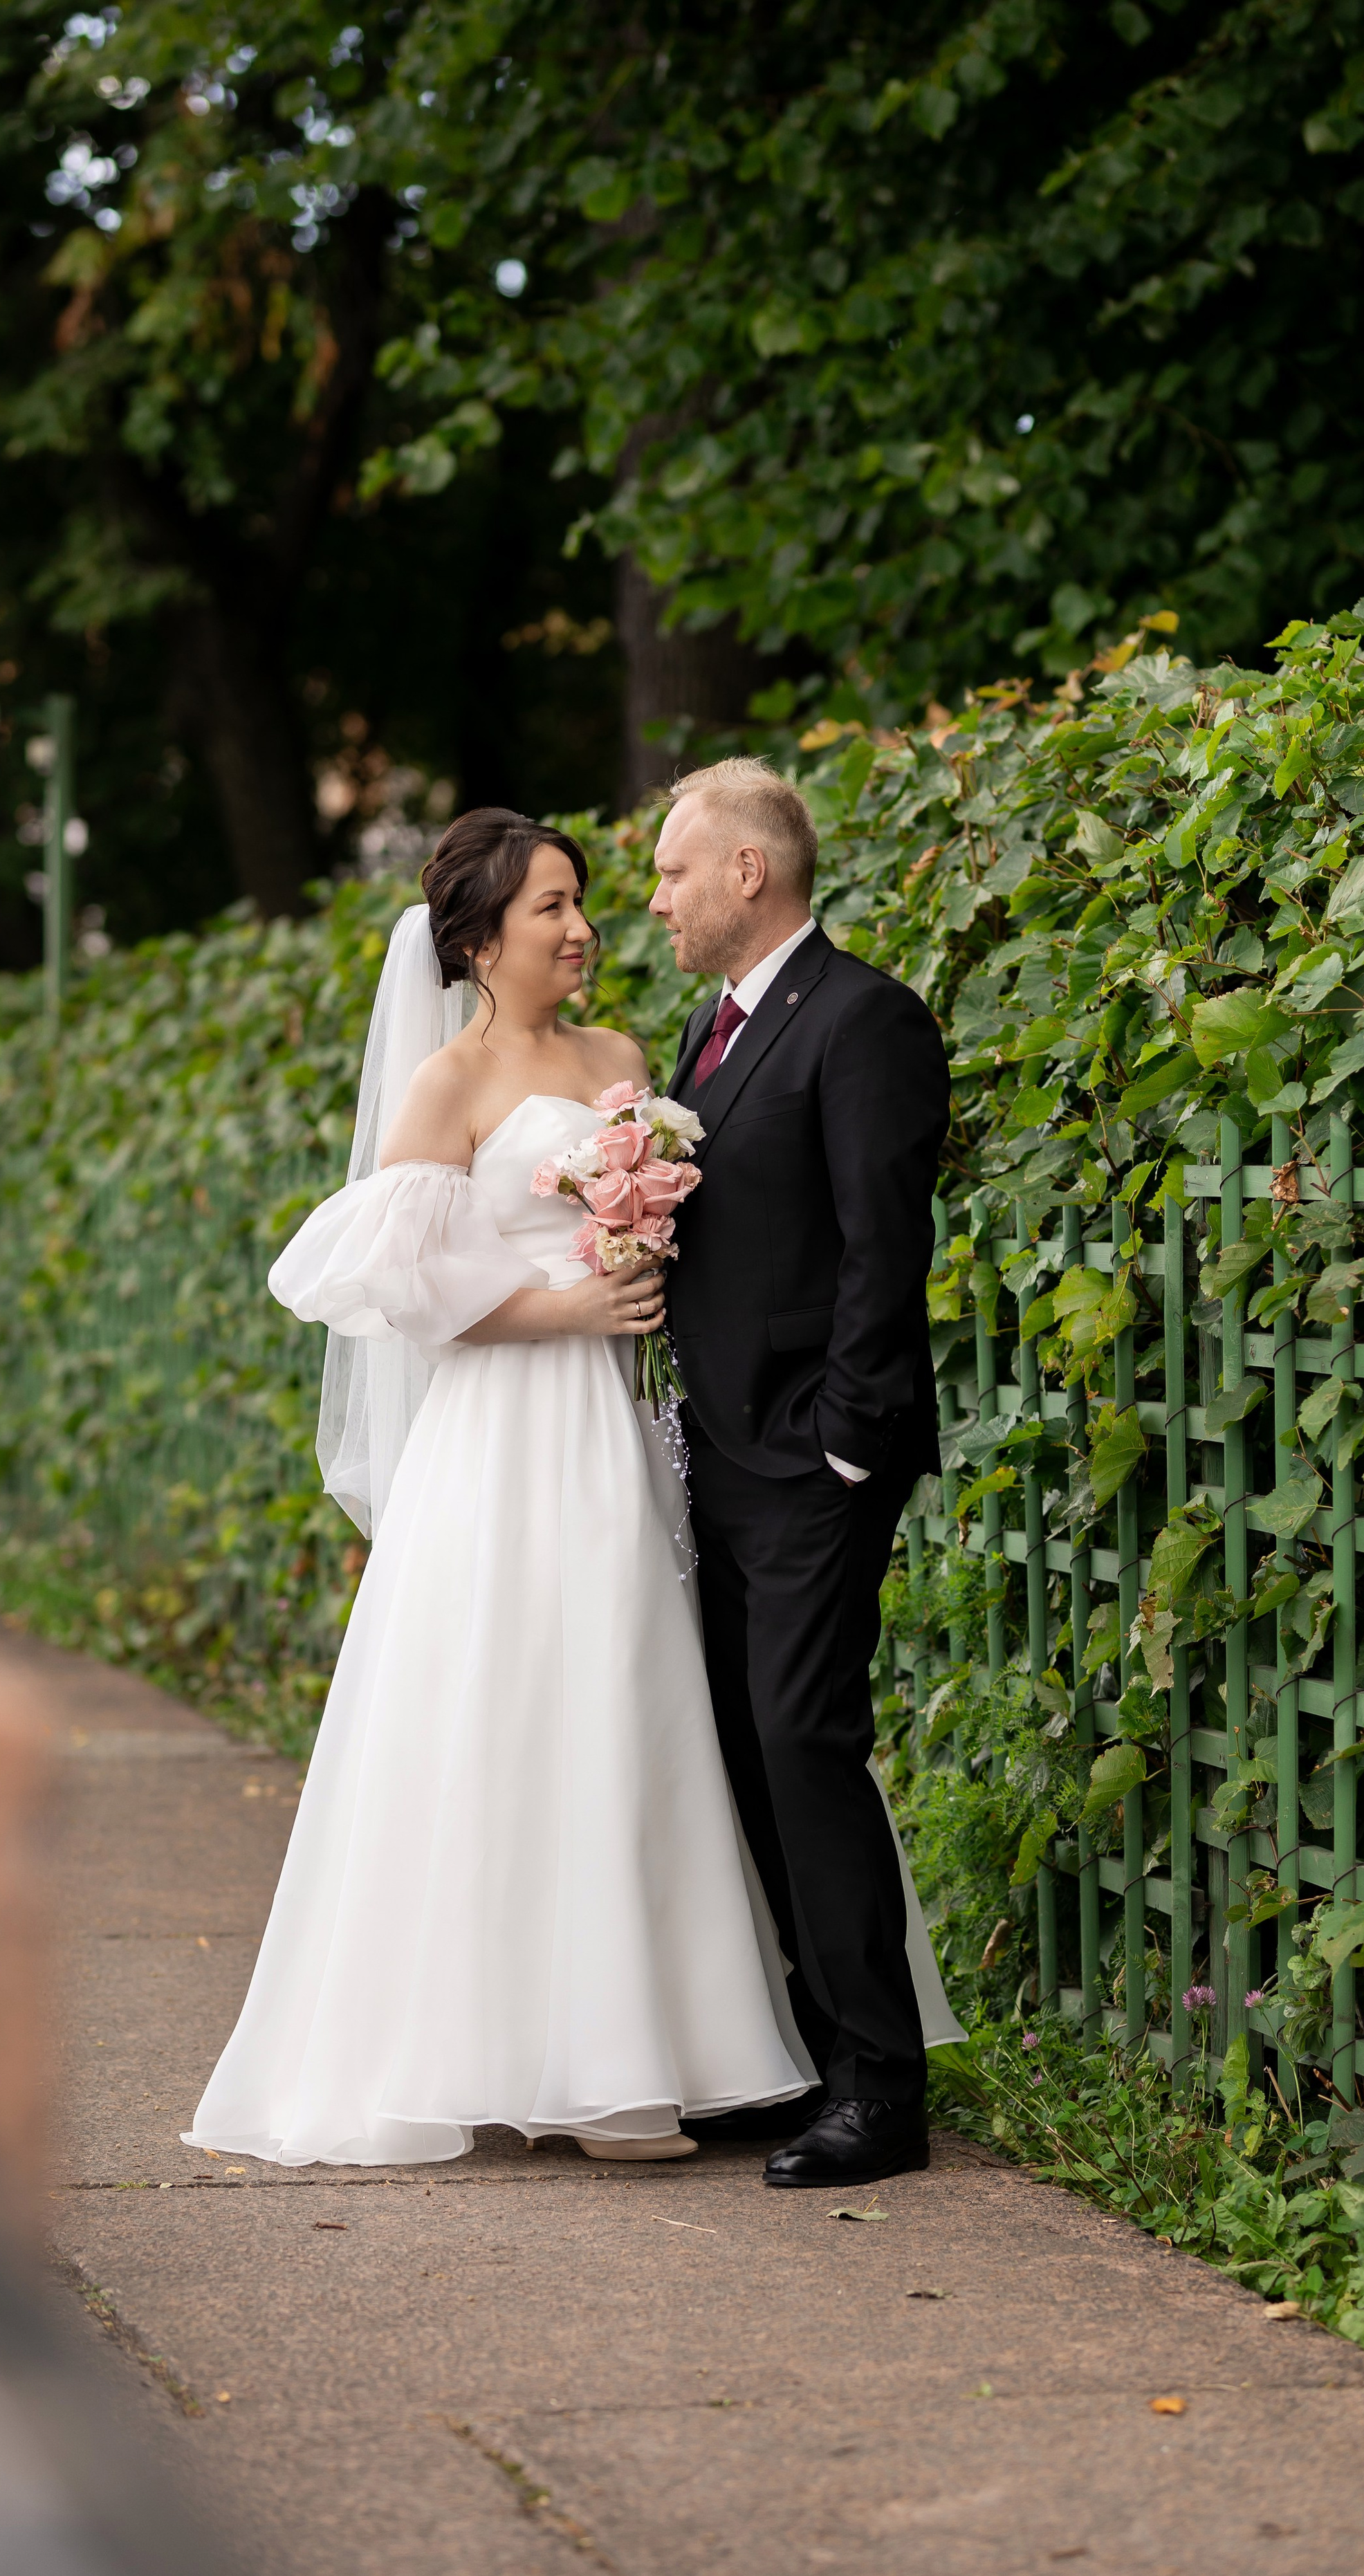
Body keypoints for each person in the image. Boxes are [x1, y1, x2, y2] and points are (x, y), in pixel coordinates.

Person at [182, 807, 818, 2167]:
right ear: (475, 940)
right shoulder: (447, 1087)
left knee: (621, 1688)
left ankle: (632, 2056)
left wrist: (642, 1262)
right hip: (497, 1437)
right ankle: (484, 2048)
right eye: (550, 907)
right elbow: (407, 1293)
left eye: (582, 900)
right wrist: (572, 1306)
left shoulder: (621, 1062)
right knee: (498, 1703)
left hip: (612, 1427)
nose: (581, 926)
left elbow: (661, 1235)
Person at [654, 758, 953, 2189]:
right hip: (713, 1459)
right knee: (735, 1748)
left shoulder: (864, 1019)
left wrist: (843, 1438)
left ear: (746, 874)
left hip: (812, 1462)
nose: (653, 900)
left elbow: (880, 1248)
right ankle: (798, 2056)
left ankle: (879, 2089)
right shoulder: (702, 1036)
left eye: (668, 872)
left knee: (800, 1744)